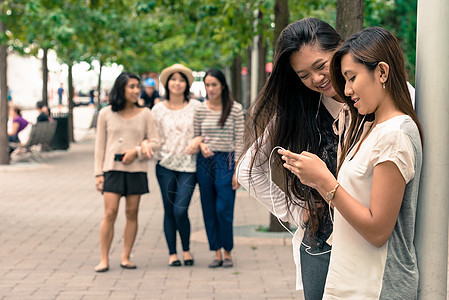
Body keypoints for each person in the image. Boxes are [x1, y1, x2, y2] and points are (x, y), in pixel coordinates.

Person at [279, 27, 423, 299]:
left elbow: (378, 230)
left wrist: (324, 182)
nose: (346, 90)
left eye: (351, 78)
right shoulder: (368, 128)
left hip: (378, 284)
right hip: (353, 280)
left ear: (381, 72)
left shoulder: (394, 135)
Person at [236, 18, 346, 298]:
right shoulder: (301, 111)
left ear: (342, 48)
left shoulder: (386, 98)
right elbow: (248, 170)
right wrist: (298, 212)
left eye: (321, 66)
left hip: (377, 243)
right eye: (304, 75)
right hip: (322, 247)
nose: (317, 79)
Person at [93, 71, 160, 272]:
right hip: (112, 170)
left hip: (136, 169)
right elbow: (99, 146)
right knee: (110, 212)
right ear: (121, 88)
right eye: (131, 86)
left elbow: (156, 142)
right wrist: (98, 174)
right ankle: (104, 259)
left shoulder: (146, 114)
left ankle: (126, 256)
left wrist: (137, 151)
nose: (135, 90)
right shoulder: (105, 113)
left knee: (132, 213)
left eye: (137, 87)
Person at [192, 69, 244, 268]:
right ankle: (217, 252)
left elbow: (240, 139)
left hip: (227, 161)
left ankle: (228, 251)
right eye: (207, 85)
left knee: (224, 208)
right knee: (208, 207)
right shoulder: (200, 109)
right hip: (204, 161)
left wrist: (238, 170)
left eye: (214, 84)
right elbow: (196, 136)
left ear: (222, 85)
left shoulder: (235, 109)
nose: (210, 88)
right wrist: (201, 145)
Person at [148, 64, 199, 267]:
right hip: (165, 165)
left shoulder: (196, 107)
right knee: (169, 210)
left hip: (189, 165)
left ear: (186, 84)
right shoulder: (157, 110)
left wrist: (199, 140)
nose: (176, 83)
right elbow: (150, 135)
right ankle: (173, 253)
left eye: (181, 80)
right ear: (167, 83)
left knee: (180, 210)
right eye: (173, 79)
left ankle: (186, 249)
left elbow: (206, 129)